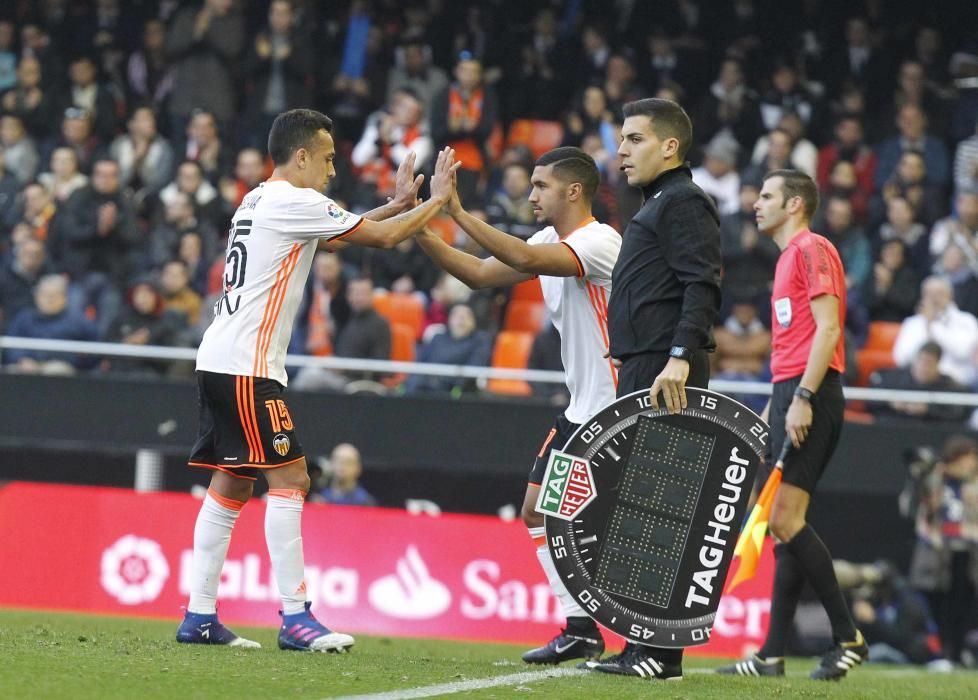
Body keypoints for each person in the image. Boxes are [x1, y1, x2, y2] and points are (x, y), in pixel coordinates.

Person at [176, 107, 459, 650]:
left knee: (232, 482)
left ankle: (200, 615)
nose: (332, 170)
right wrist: (438, 202)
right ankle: (296, 617)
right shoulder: (295, 200)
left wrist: (401, 203)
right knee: (292, 479)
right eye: (327, 159)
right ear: (301, 156)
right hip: (249, 367)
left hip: (218, 359)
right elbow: (379, 239)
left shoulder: (258, 198)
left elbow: (340, 233)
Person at [414, 146, 620, 666]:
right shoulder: (551, 237)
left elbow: (524, 260)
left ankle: (649, 636)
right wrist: (418, 226)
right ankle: (580, 628)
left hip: (615, 412)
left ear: (573, 191)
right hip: (582, 411)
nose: (530, 195)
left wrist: (456, 211)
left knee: (593, 522)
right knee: (538, 512)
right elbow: (482, 276)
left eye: (540, 186)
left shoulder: (599, 242)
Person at [716, 170, 868, 680]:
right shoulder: (785, 259)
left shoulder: (811, 248)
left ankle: (848, 637)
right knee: (782, 527)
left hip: (812, 393)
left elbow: (829, 328)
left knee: (784, 520)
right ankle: (771, 656)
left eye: (765, 196)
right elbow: (794, 340)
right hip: (789, 393)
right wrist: (775, 405)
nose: (754, 204)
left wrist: (801, 397)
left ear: (795, 203)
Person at [589, 97, 721, 681]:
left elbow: (703, 285)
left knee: (662, 509)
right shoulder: (660, 203)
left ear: (670, 146)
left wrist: (677, 357)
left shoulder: (685, 201)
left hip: (666, 372)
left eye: (635, 139)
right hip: (646, 365)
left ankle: (661, 654)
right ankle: (644, 644)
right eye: (621, 138)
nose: (622, 150)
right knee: (641, 506)